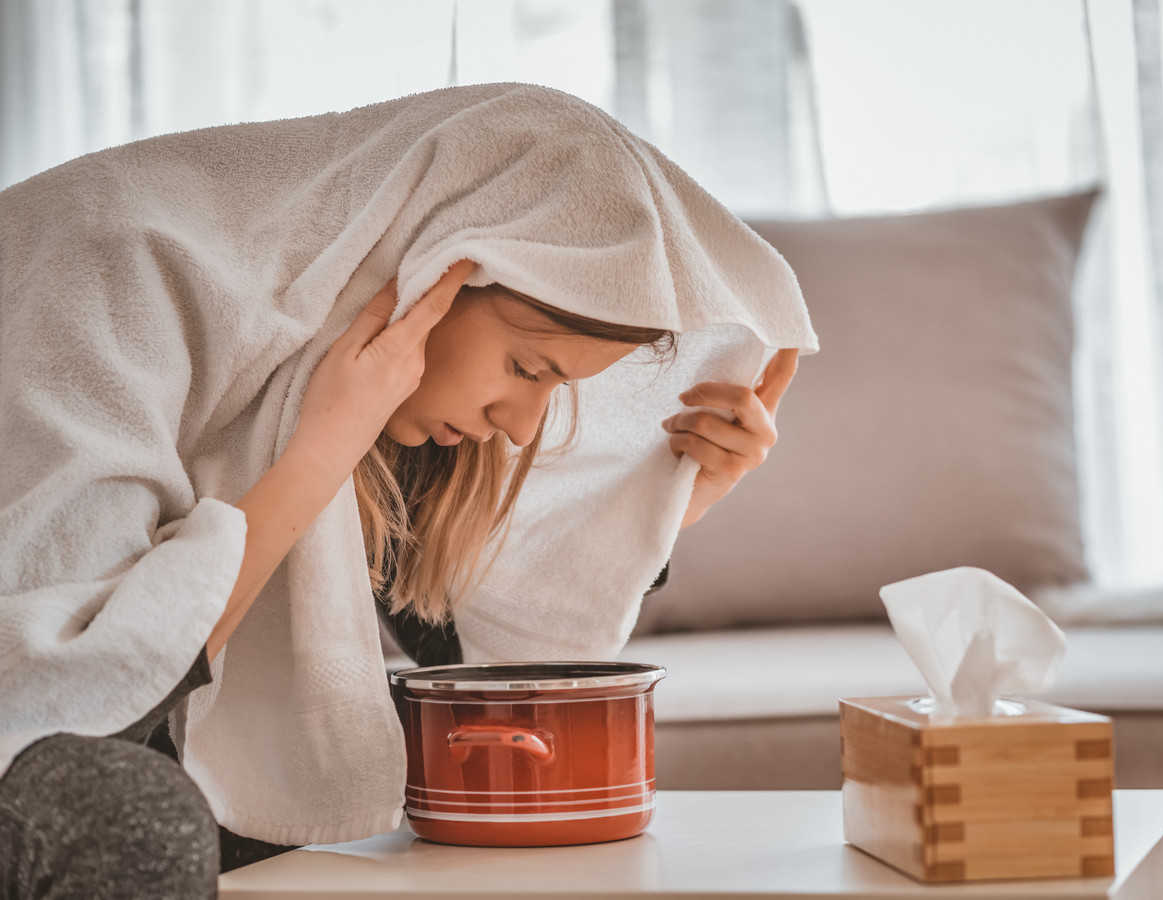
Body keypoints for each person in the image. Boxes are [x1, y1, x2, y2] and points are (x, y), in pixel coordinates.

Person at [0, 83, 816, 897]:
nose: (526, 426)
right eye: (528, 369)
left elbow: (476, 664)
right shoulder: (108, 265)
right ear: (435, 272)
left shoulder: (373, 391)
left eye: (556, 389)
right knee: (134, 813)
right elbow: (88, 689)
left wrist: (672, 501)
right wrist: (324, 448)